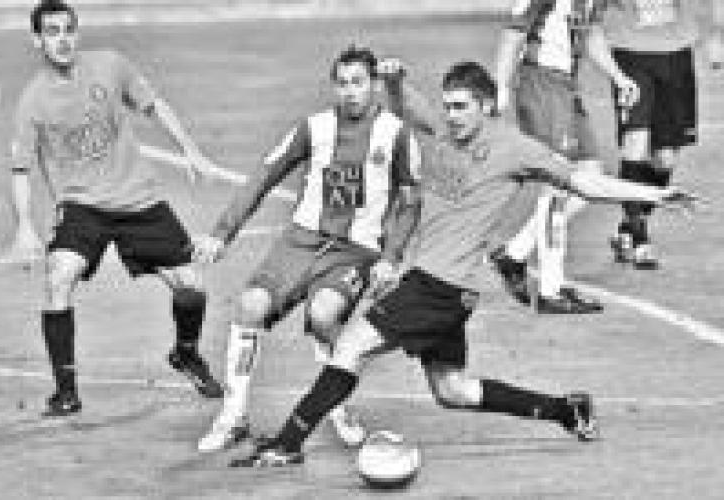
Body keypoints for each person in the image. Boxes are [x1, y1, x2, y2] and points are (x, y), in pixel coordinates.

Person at [221, 60, 695, 466]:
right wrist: (396, 80)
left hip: (439, 287)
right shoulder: (444, 135)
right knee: (453, 390)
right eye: (448, 106)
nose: (452, 115)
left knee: (350, 347)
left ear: (486, 106)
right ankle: (565, 410)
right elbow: (406, 108)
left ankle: (287, 444)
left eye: (461, 107)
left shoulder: (515, 149)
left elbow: (586, 184)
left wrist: (654, 194)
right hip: (446, 288)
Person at [191, 45, 421, 452]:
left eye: (359, 82)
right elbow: (262, 178)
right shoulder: (313, 128)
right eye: (342, 83)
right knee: (250, 305)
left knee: (324, 315)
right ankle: (233, 416)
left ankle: (337, 405)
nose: (350, 91)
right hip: (299, 242)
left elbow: (409, 202)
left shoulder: (396, 133)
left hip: (355, 250)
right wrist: (221, 233)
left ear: (374, 85)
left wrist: (390, 258)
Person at [8, 0, 223, 416]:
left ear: (77, 32)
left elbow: (155, 105)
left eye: (68, 29)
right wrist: (24, 227)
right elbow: (21, 169)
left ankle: (186, 353)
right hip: (83, 205)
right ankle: (66, 392)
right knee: (58, 278)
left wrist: (191, 150)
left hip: (139, 198)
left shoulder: (110, 64)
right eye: (52, 32)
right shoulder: (33, 100)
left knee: (192, 288)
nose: (63, 39)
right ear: (37, 40)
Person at [493, 0, 638, 312]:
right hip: (540, 84)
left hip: (566, 86)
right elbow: (513, 33)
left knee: (591, 178)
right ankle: (551, 290)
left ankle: (514, 254)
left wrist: (618, 76)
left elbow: (591, 33)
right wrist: (501, 87)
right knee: (557, 185)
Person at [604, 0, 708, 268]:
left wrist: (715, 34)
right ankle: (640, 240)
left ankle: (629, 225)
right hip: (629, 52)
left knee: (665, 159)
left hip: (677, 56)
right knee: (635, 143)